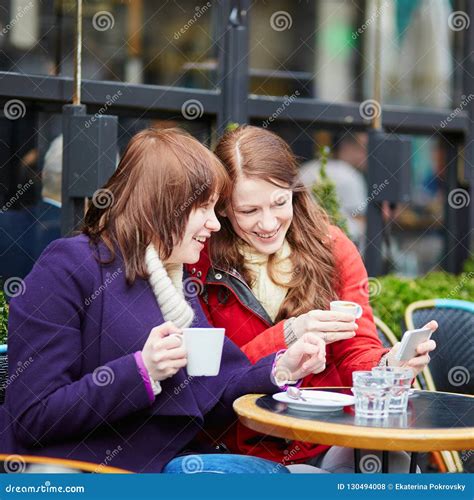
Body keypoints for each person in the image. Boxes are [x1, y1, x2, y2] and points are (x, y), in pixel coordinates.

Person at [0, 128, 327, 474]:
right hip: (77, 469)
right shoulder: (68, 265)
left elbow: (214, 391)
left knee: (311, 478)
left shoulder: (173, 278)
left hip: (165, 463)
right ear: (163, 205)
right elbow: (34, 417)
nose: (215, 224)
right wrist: (141, 371)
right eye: (204, 208)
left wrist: (281, 368)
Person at [189, 125, 437, 473]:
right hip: (238, 449)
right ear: (224, 208)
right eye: (249, 211)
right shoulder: (199, 257)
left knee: (387, 456)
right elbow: (208, 381)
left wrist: (388, 365)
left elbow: (356, 349)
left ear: (295, 191)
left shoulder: (332, 247)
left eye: (279, 202)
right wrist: (288, 333)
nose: (269, 222)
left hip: (326, 440)